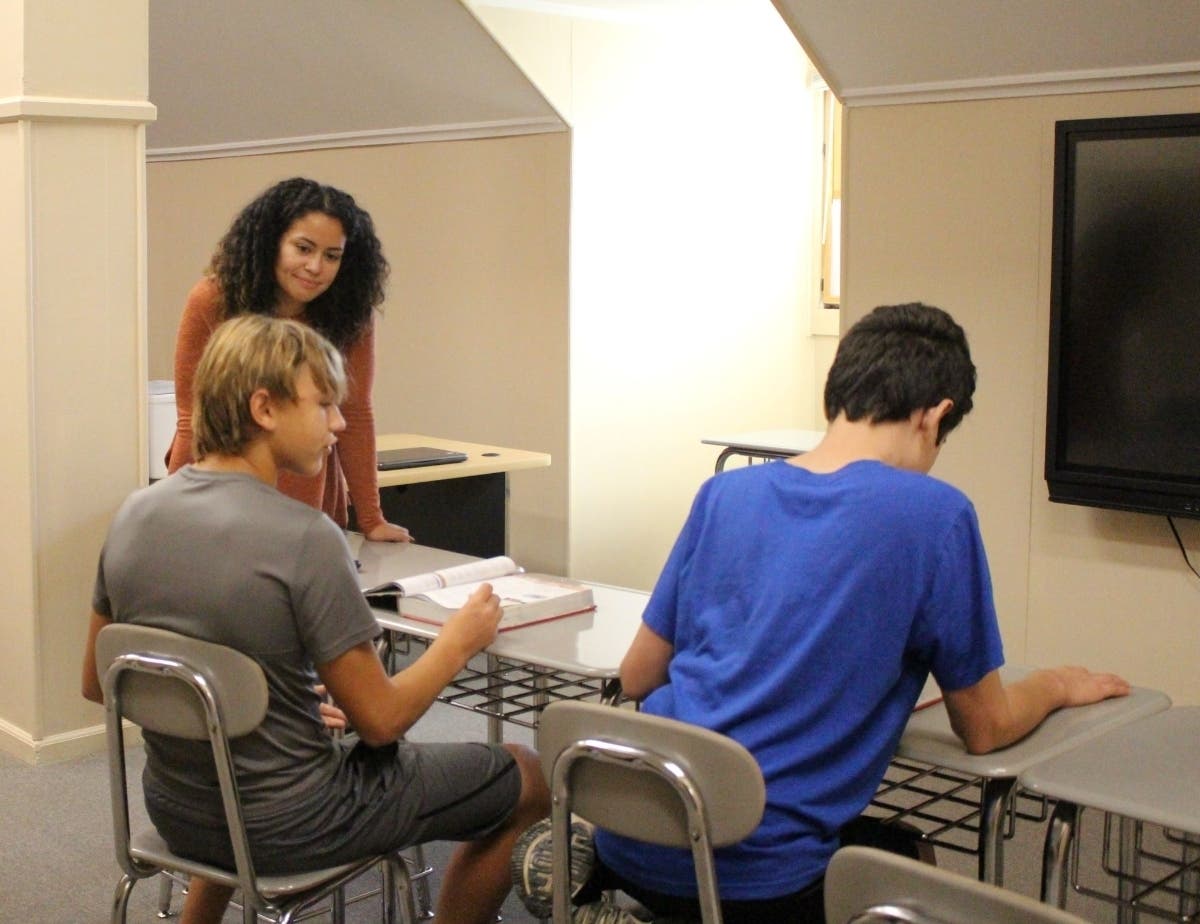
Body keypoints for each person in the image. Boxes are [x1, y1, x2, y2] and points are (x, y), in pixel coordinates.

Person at [514, 302, 1130, 924]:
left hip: (635, 828)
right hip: (765, 880)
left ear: (837, 391)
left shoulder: (725, 494)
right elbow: (986, 727)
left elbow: (641, 674)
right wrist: (1056, 683)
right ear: (936, 415)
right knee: (904, 858)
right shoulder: (936, 515)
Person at [83, 315, 550, 924]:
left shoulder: (133, 515)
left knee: (271, 768)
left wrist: (275, 699)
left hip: (177, 812)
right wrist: (458, 642)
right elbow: (381, 722)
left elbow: (101, 682)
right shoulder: (307, 537)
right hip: (294, 824)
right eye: (325, 404)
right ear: (265, 408)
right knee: (527, 774)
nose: (338, 424)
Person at [167, 176, 410, 542]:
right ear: (272, 244)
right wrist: (173, 513)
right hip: (225, 503)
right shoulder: (212, 300)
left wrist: (372, 518)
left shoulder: (351, 313)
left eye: (332, 256)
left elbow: (355, 414)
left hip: (309, 495)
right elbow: (193, 419)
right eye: (303, 248)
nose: (315, 267)